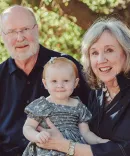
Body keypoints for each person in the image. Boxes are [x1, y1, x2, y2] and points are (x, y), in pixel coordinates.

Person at [0, 5, 90, 156]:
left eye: (25, 29)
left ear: (37, 29)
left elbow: (92, 114)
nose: (20, 37)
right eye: (11, 32)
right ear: (3, 37)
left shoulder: (66, 66)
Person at [36, 18, 130, 156]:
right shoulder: (97, 93)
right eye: (94, 53)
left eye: (109, 50)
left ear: (126, 52)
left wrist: (66, 146)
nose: (101, 60)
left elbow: (124, 150)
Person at [22, 57, 109, 156]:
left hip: (73, 149)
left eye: (66, 81)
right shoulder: (41, 105)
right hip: (47, 149)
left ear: (75, 83)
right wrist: (37, 136)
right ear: (45, 83)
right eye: (54, 81)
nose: (60, 85)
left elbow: (86, 133)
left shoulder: (78, 106)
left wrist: (98, 141)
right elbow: (28, 127)